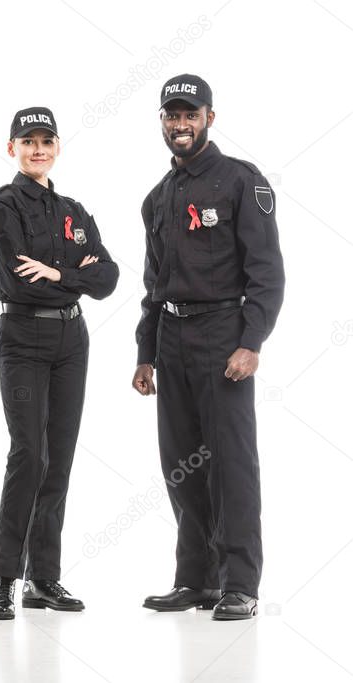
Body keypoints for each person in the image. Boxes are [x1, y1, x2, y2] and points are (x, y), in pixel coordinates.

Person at [133, 75, 284, 621]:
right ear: (163, 121)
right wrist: (145, 352)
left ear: (209, 118)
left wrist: (252, 340)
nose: (180, 123)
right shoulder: (158, 197)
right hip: (171, 339)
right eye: (172, 115)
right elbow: (154, 284)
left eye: (189, 114)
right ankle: (195, 580)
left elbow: (267, 271)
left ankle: (240, 583)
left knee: (231, 464)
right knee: (180, 466)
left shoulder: (241, 181)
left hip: (224, 338)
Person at [0, 107, 119, 619]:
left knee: (58, 457)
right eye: (27, 141)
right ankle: (3, 579)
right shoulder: (1, 208)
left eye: (46, 140)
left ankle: (44, 579)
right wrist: (74, 273)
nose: (38, 149)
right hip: (23, 337)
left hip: (71, 339)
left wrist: (57, 276)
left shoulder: (73, 210)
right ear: (11, 147)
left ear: (58, 146)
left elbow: (110, 278)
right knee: (29, 454)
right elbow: (14, 281)